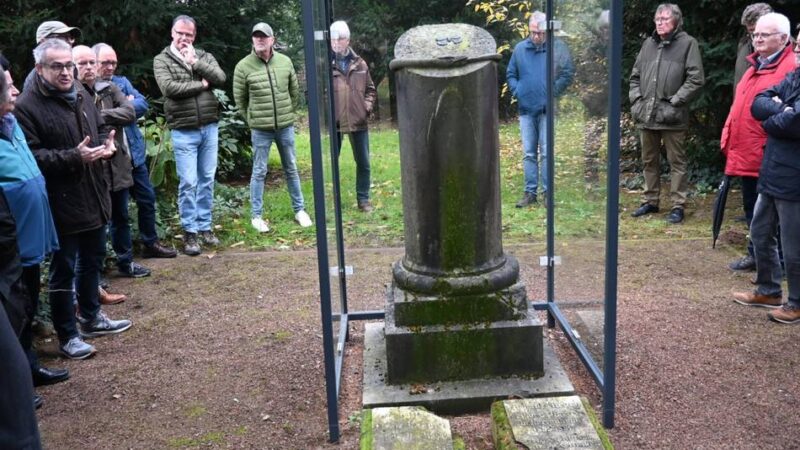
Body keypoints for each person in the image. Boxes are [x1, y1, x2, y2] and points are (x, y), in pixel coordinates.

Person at [15, 38, 132, 360]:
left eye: (69, 65)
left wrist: (104, 150)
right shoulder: (27, 106)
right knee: (64, 268)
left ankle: (91, 317)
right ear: (40, 69)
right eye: (58, 66)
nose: (67, 72)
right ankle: (67, 334)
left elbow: (93, 135)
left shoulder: (80, 92)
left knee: (93, 259)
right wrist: (73, 157)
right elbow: (30, 157)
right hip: (60, 201)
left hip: (94, 193)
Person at [0, 55, 68, 396]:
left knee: (26, 308)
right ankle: (17, 385)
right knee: (13, 314)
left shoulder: (11, 126)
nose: (15, 91)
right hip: (9, 246)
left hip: (29, 243)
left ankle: (30, 369)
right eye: (9, 85)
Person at [733, 34, 800, 324]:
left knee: (794, 245)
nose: (796, 49)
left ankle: (796, 303)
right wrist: (781, 111)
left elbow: (795, 122)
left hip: (795, 178)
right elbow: (759, 103)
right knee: (760, 232)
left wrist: (779, 115)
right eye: (797, 44)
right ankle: (769, 290)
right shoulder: (795, 76)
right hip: (772, 169)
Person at [721, 13, 795, 272]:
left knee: (779, 216)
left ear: (783, 39)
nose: (757, 39)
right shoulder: (756, 64)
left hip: (769, 152)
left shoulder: (789, 67)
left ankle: (781, 264)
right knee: (754, 209)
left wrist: (773, 111)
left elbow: (788, 116)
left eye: (765, 34)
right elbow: (754, 104)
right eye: (755, 34)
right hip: (746, 150)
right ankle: (758, 257)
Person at [74, 45, 152, 281]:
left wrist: (98, 116)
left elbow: (130, 112)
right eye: (85, 63)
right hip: (92, 167)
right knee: (96, 223)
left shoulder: (111, 87)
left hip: (117, 164)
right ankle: (95, 275)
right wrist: (110, 115)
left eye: (91, 63)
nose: (91, 68)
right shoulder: (74, 92)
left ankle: (125, 263)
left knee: (121, 216)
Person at [94, 43, 177, 259]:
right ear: (94, 63)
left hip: (135, 156)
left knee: (147, 199)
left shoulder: (122, 82)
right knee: (117, 213)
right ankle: (120, 257)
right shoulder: (88, 89)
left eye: (113, 62)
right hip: (112, 161)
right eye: (105, 62)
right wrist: (123, 110)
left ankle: (150, 243)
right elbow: (95, 117)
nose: (110, 67)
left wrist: (114, 112)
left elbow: (141, 105)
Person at [154, 15, 226, 254]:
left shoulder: (203, 56)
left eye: (189, 34)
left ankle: (205, 228)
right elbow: (170, 89)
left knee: (206, 178)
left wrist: (195, 62)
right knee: (188, 182)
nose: (184, 38)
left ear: (194, 36)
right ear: (172, 33)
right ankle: (190, 233)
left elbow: (221, 78)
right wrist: (203, 86)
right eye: (180, 33)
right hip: (183, 130)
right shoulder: (161, 59)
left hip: (209, 127)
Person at [629, 3, 704, 224]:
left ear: (676, 21)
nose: (660, 23)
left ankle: (678, 205)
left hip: (672, 116)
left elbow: (696, 79)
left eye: (665, 19)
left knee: (677, 162)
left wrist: (676, 101)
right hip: (647, 115)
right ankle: (650, 201)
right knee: (648, 161)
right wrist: (636, 101)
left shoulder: (688, 44)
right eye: (657, 19)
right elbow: (634, 77)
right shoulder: (648, 44)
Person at [233, 22, 312, 232]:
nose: (260, 39)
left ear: (272, 40)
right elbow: (240, 100)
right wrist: (252, 119)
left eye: (264, 36)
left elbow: (294, 92)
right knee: (259, 171)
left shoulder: (285, 62)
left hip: (285, 126)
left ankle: (300, 210)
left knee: (292, 168)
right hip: (260, 129)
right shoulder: (243, 66)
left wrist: (288, 113)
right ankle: (256, 217)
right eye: (256, 36)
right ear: (252, 40)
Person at [507, 10, 574, 208]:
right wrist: (517, 90)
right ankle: (530, 193)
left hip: (546, 110)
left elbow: (568, 72)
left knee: (546, 153)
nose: (537, 36)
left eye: (540, 33)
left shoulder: (557, 48)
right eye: (533, 32)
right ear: (529, 30)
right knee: (528, 153)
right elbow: (511, 73)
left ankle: (547, 194)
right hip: (526, 110)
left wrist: (553, 91)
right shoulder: (520, 49)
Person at [330, 20, 377, 212]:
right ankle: (333, 202)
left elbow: (371, 90)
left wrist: (365, 108)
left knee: (363, 163)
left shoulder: (360, 63)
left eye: (340, 39)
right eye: (333, 39)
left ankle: (363, 200)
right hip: (335, 123)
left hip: (358, 120)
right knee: (331, 163)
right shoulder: (326, 64)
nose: (336, 43)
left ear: (347, 40)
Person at [574, 10, 610, 187]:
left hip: (613, 105)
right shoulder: (590, 50)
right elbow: (578, 75)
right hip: (593, 105)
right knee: (591, 145)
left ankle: (613, 183)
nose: (606, 32)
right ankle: (591, 181)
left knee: (613, 146)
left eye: (609, 29)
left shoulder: (618, 48)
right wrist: (584, 94)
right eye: (603, 29)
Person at [22, 20, 81, 93]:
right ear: (43, 42)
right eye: (62, 37)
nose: (69, 42)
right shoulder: (34, 83)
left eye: (70, 37)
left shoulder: (73, 70)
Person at [734, 3, 773, 96]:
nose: (754, 36)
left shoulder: (787, 46)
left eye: (754, 29)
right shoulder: (744, 44)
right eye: (750, 31)